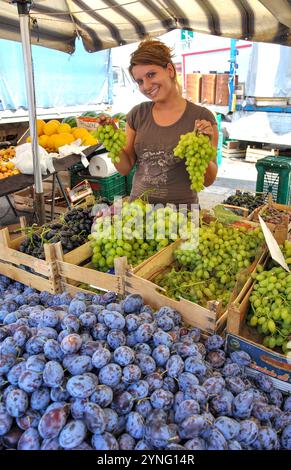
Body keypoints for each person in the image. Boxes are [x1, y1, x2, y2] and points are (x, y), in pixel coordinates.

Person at [113, 39, 219, 206]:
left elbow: (208, 181)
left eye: (151, 74)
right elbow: (124, 168)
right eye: (140, 81)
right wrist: (111, 141)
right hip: (139, 213)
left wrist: (202, 148)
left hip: (182, 216)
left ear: (169, 70)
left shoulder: (202, 117)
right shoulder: (137, 114)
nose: (146, 86)